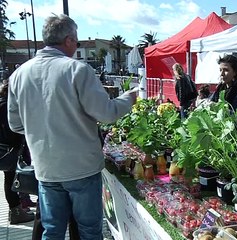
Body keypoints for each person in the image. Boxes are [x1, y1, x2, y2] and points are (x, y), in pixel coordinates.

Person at [7, 14, 137, 239]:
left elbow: (15, 124)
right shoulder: (77, 69)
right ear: (68, 40)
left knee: (52, 230)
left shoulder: (19, 74)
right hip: (81, 168)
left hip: (46, 168)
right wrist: (129, 98)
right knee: (88, 231)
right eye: (76, 41)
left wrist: (40, 128)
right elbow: (106, 113)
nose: (76, 45)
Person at [0, 80, 34, 225]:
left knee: (10, 178)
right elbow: (12, 129)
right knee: (11, 178)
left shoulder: (2, 103)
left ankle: (16, 210)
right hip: (7, 149)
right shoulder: (6, 106)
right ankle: (16, 212)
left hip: (4, 149)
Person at [210, 55, 237, 121]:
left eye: (226, 70)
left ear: (235, 72)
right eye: (220, 70)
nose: (222, 74)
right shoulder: (220, 89)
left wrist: (222, 110)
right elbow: (211, 102)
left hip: (235, 129)